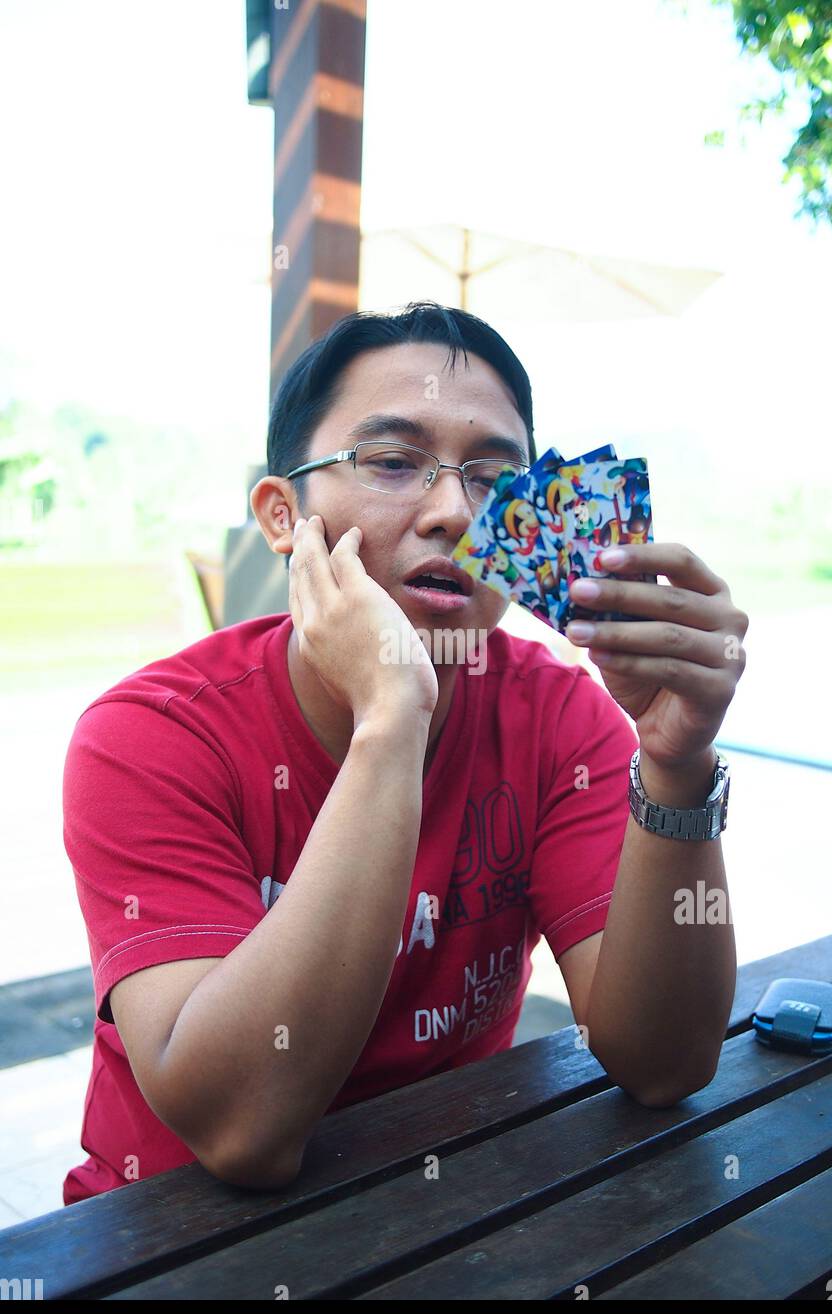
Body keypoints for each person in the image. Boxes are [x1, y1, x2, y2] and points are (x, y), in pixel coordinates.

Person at [61, 301, 747, 1203]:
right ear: (283, 517)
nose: (453, 511)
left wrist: (677, 764)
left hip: (446, 1218)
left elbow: (664, 1063)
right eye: (390, 462)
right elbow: (243, 1131)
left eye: (494, 475)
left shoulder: (555, 714)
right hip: (161, 1251)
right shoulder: (149, 738)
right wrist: (391, 715)